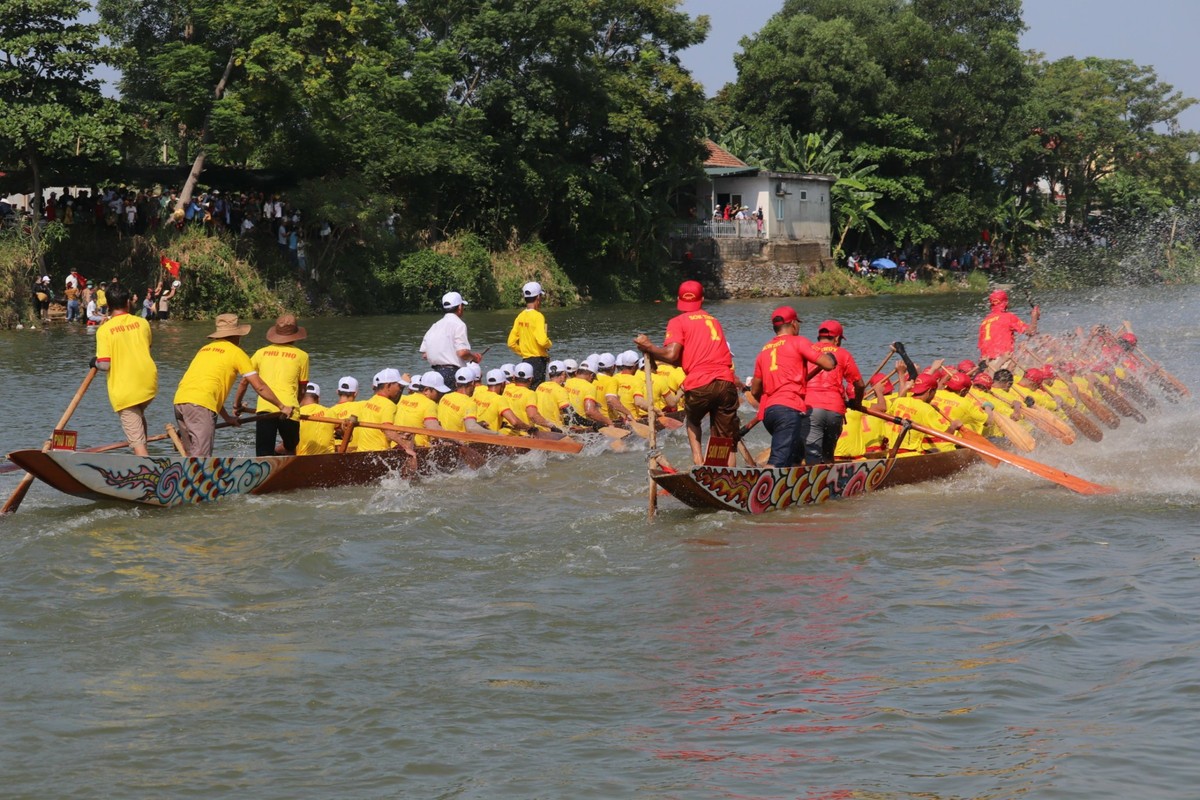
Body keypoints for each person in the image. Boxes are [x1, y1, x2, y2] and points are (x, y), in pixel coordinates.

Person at [635, 280, 741, 466]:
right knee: (726, 436)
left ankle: (699, 463)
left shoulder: (678, 321)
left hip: (700, 383)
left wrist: (649, 347)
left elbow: (671, 354)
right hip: (726, 382)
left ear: (678, 299)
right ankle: (728, 474)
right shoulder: (713, 321)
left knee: (693, 419)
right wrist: (652, 352)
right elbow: (678, 359)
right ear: (702, 299)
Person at [172, 314, 294, 457]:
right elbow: (259, 386)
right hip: (200, 407)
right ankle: (200, 479)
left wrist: (227, 418)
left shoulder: (205, 349)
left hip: (180, 402)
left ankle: (188, 479)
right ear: (236, 335)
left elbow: (208, 391)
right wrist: (282, 406)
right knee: (200, 459)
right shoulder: (236, 352)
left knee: (190, 455)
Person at [748, 307, 836, 468]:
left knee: (796, 456)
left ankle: (794, 487)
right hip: (788, 411)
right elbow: (828, 364)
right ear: (794, 324)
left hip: (769, 413)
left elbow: (754, 390)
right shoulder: (798, 342)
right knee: (777, 461)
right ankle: (764, 488)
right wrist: (829, 357)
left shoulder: (764, 350)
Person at [92, 284, 157, 456]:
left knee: (136, 441)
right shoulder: (142, 323)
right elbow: (147, 347)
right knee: (138, 419)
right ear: (128, 302)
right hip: (148, 383)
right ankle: (145, 455)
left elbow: (105, 365)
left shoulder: (104, 330)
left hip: (126, 390)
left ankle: (147, 472)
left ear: (108, 305)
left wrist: (94, 362)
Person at [234, 314, 310, 456]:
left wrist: (237, 406)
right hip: (289, 409)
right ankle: (288, 471)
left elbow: (244, 382)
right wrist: (294, 405)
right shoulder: (302, 356)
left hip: (265, 409)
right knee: (291, 445)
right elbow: (302, 390)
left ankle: (266, 472)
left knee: (263, 453)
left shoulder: (260, 353)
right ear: (295, 336)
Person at [803, 319, 864, 465]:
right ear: (837, 339)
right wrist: (857, 402)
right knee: (828, 456)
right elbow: (859, 385)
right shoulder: (844, 354)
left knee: (812, 456)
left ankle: (812, 485)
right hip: (835, 410)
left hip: (811, 408)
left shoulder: (806, 351)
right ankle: (828, 484)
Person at [419, 291, 481, 387]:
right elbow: (462, 353)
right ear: (460, 307)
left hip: (435, 374)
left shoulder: (435, 326)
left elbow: (425, 355)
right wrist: (474, 358)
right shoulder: (459, 325)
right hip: (452, 374)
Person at [507, 281, 552, 386]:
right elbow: (542, 340)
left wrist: (523, 352)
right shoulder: (538, 316)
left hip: (525, 361)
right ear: (538, 298)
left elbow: (511, 343)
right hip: (538, 362)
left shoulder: (520, 316)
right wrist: (549, 344)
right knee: (536, 392)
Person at [978, 289, 1038, 360]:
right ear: (1006, 303)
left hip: (985, 362)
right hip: (1003, 360)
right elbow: (1031, 332)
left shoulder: (984, 321)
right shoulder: (1008, 317)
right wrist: (1034, 317)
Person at [395, 370, 450, 446]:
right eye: (439, 392)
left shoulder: (403, 399)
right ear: (426, 390)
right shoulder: (430, 403)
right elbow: (433, 429)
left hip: (396, 444)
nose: (441, 395)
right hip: (418, 448)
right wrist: (455, 439)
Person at [438, 367, 487, 433]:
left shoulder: (445, 397)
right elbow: (471, 428)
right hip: (459, 441)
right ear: (472, 383)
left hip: (443, 437)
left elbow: (454, 422)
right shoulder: (469, 403)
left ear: (456, 383)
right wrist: (497, 434)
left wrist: (478, 424)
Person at [296, 383, 335, 455]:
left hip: (304, 459)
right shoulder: (330, 412)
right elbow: (341, 431)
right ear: (318, 399)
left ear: (300, 397)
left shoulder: (296, 414)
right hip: (328, 457)